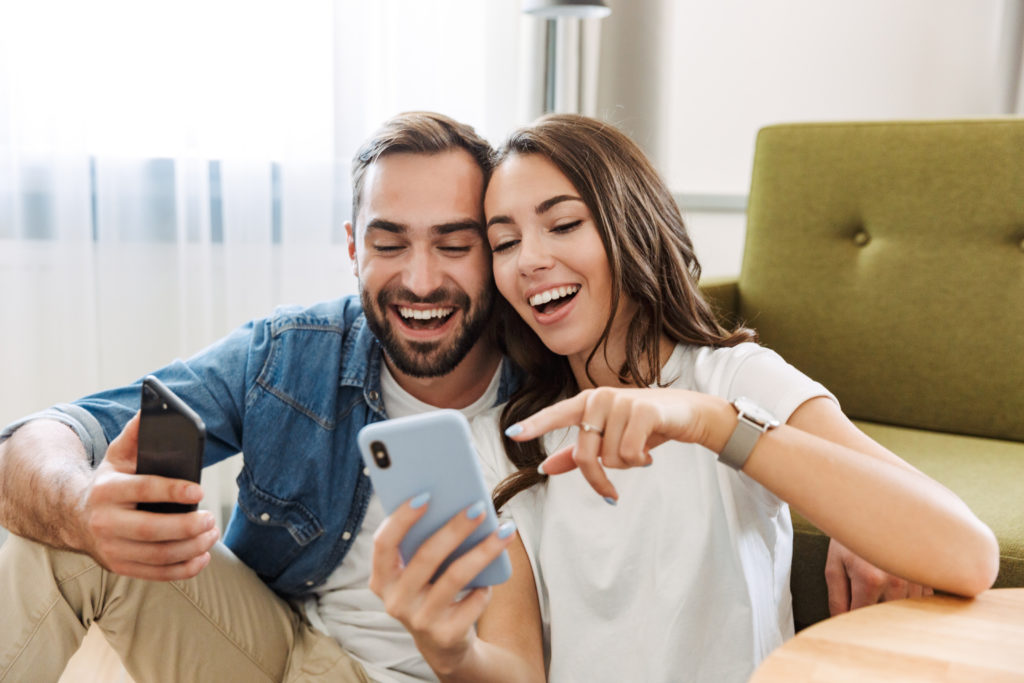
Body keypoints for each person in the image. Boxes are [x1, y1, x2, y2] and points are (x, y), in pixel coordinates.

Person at [367, 114, 999, 682]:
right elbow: (518, 670)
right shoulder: (504, 441)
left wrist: (711, 423)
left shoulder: (734, 381)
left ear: (631, 225)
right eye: (504, 243)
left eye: (563, 224)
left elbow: (968, 554)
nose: (529, 259)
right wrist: (453, 656)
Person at [0, 111, 525, 683]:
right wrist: (81, 511)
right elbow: (39, 438)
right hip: (278, 648)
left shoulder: (547, 385)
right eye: (389, 243)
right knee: (61, 537)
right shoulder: (294, 353)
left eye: (453, 245)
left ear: (495, 251)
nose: (421, 281)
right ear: (353, 247)